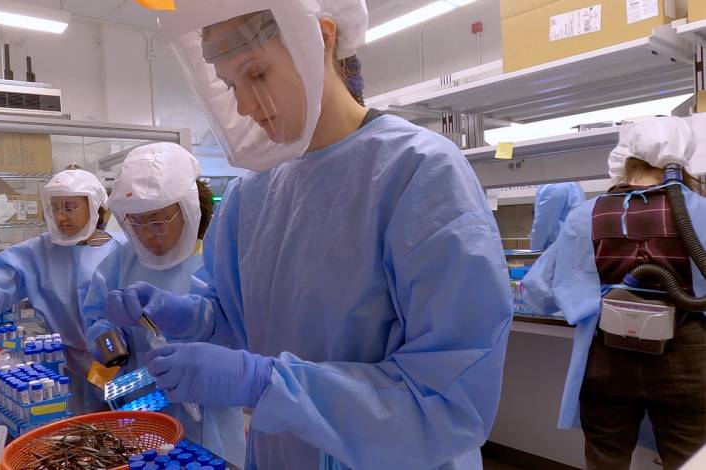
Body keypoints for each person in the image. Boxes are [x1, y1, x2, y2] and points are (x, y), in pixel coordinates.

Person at [108, 1, 513, 468]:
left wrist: (266, 383)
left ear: (318, 39)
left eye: (256, 74)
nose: (242, 104)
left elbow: (448, 398)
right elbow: (242, 321)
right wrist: (190, 317)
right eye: (229, 84)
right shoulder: (252, 194)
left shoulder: (418, 174)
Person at [523, 116, 706, 470]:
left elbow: (538, 292)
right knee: (689, 459)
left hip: (607, 360)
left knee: (606, 458)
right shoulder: (699, 211)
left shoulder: (584, 215)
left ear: (627, 158)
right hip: (687, 362)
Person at [83, 142, 245, 465]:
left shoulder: (218, 261)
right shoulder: (119, 263)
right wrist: (106, 337)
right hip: (141, 410)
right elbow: (95, 319)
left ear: (187, 208)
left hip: (210, 415)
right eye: (137, 223)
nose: (146, 235)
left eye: (157, 222)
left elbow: (238, 333)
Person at [0, 169, 120, 412]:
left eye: (69, 207)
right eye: (55, 208)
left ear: (95, 206)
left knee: (124, 422)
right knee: (74, 428)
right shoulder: (37, 253)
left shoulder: (122, 249)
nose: (61, 216)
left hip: (119, 361)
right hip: (68, 367)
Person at [529, 182, 585, 250]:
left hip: (558, 250)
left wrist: (534, 251)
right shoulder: (573, 184)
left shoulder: (554, 185)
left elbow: (543, 226)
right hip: (573, 247)